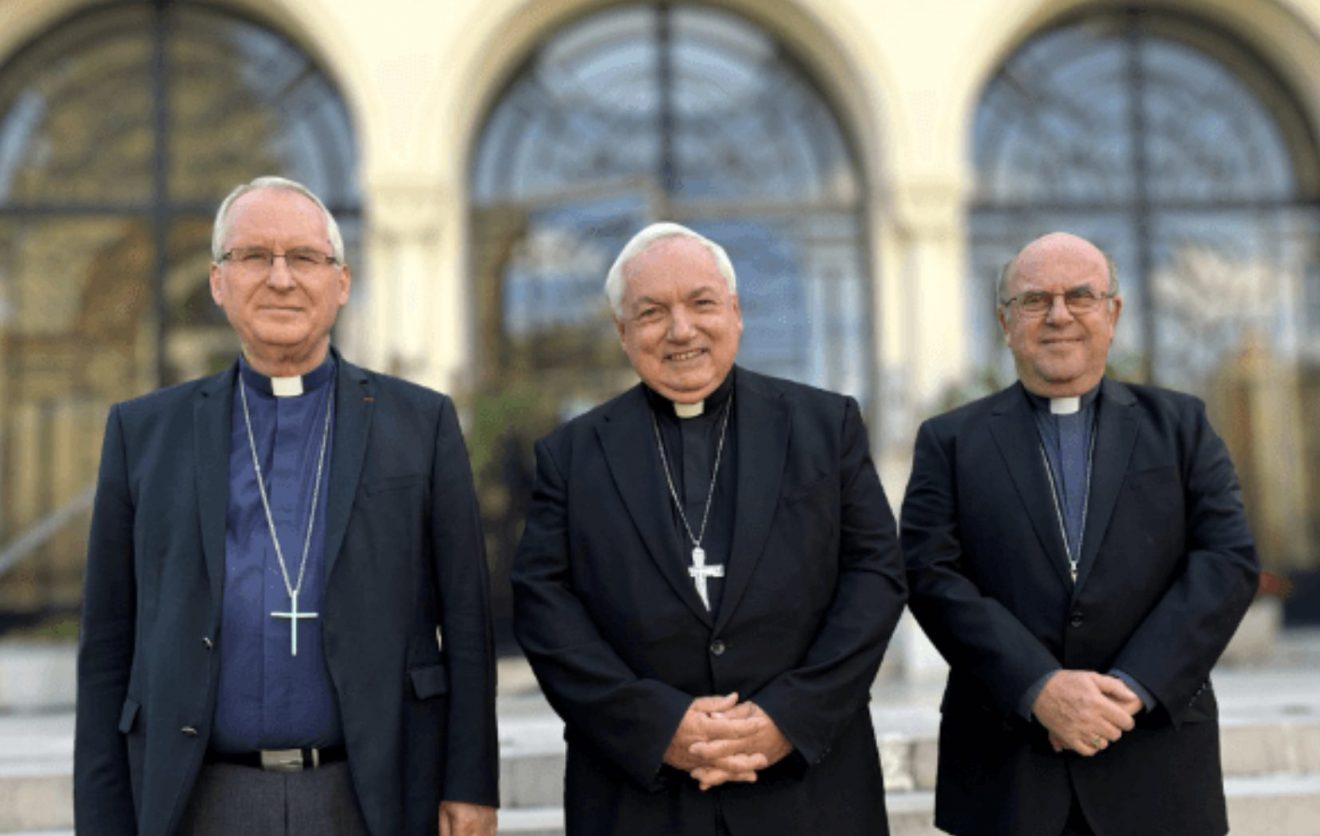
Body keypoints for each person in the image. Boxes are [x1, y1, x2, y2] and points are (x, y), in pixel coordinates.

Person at [74, 176, 498, 836]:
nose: (281, 279)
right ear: (218, 281)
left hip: (372, 792)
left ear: (342, 282)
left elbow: (468, 623)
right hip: (202, 797)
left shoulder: (421, 424)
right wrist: (102, 820)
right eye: (253, 256)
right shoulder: (144, 433)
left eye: (304, 257)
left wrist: (471, 784)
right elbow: (106, 645)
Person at [511, 222, 907, 835]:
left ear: (736, 313)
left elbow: (875, 575)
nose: (681, 330)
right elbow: (544, 607)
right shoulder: (572, 455)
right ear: (622, 332)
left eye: (701, 303)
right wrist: (658, 725)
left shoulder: (824, 427)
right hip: (639, 799)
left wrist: (788, 716)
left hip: (809, 790)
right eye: (652, 313)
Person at [901, 231, 1259, 835]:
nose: (1059, 315)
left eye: (1080, 296)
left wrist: (1134, 686)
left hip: (1154, 758)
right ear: (1005, 322)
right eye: (1034, 300)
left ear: (1112, 313)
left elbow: (1226, 561)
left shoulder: (1181, 426)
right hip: (1008, 770)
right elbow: (929, 575)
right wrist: (1036, 686)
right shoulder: (950, 442)